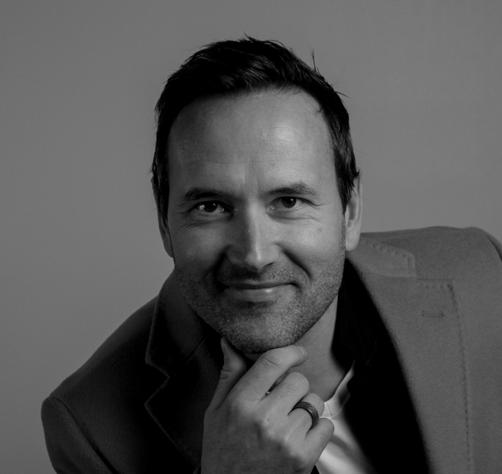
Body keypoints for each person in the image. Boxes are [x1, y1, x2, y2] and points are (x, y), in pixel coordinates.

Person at [42, 38, 502, 474]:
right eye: (210, 207)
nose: (255, 255)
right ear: (165, 223)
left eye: (289, 201)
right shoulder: (89, 426)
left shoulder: (483, 277)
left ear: (350, 211)